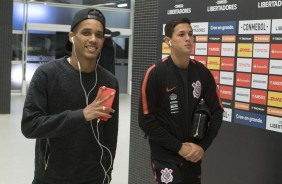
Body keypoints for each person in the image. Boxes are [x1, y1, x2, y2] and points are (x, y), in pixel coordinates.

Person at [21, 8, 119, 184]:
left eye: (99, 34)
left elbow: (110, 135)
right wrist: (81, 115)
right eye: (86, 33)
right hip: (51, 177)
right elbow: (30, 125)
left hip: (94, 177)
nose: (93, 39)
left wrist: (107, 173)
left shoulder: (109, 81)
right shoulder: (47, 74)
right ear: (71, 37)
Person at [139, 17, 224, 184]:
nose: (188, 38)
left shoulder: (202, 73)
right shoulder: (155, 73)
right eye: (181, 34)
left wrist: (202, 146)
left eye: (191, 34)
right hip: (165, 156)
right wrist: (179, 148)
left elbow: (217, 111)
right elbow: (146, 121)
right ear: (168, 41)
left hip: (193, 155)